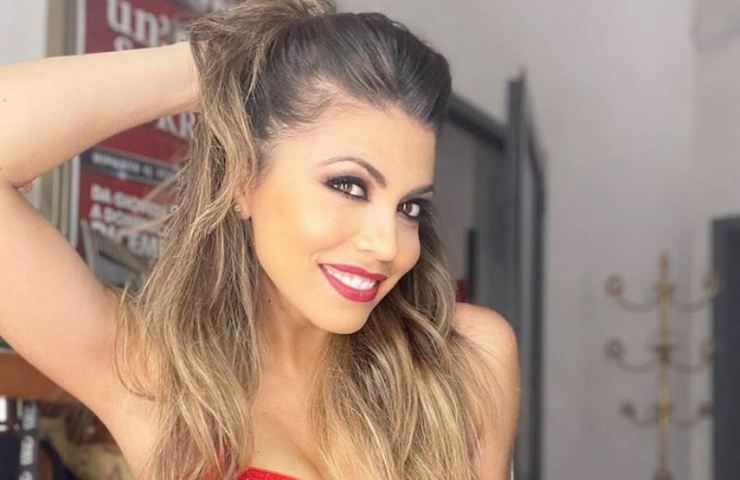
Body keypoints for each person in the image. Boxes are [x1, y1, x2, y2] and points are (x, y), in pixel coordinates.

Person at [0, 1, 520, 479]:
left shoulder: (464, 362)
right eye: (349, 186)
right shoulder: (155, 380)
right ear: (243, 180)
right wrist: (223, 62)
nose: (388, 245)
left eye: (410, 208)